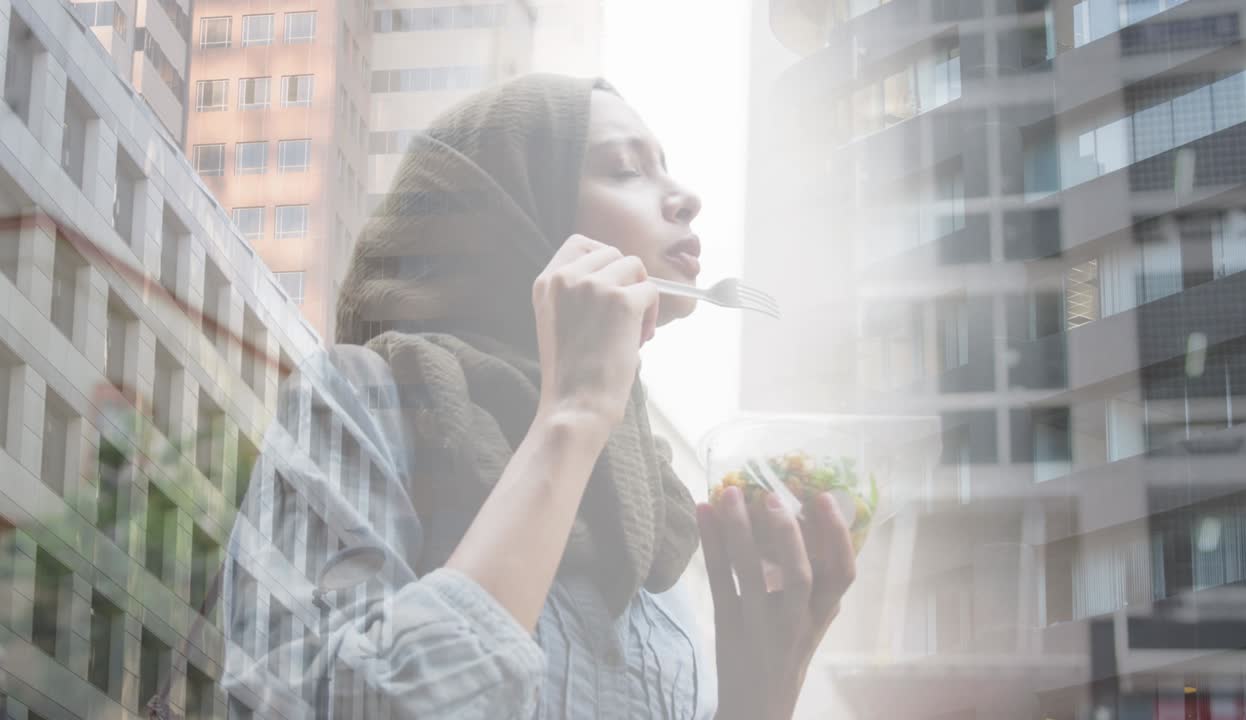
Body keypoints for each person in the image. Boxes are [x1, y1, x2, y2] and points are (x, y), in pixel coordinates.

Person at [219, 74, 856, 720]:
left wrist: (758, 700)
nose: (686, 198)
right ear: (507, 216)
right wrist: (572, 415)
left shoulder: (655, 513)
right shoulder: (366, 402)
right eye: (624, 169)